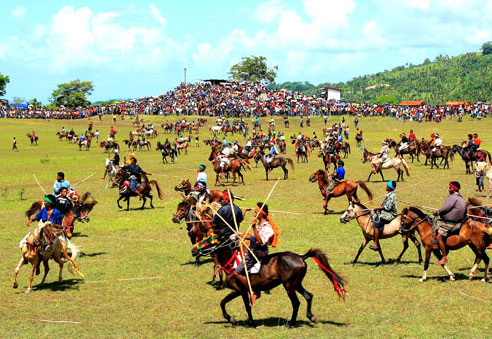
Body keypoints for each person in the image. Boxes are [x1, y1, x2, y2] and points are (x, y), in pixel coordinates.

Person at [234, 202, 278, 305]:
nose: (254, 213)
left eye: (256, 212)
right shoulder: (260, 224)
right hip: (254, 249)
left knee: (236, 272)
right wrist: (241, 235)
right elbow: (253, 237)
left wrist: (254, 228)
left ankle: (254, 291)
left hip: (258, 252)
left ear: (261, 214)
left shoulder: (267, 228)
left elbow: (260, 241)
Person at [432, 181, 467, 265]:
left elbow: (445, 208)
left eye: (450, 188)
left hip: (451, 222)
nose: (448, 189)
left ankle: (444, 257)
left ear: (454, 189)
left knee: (439, 237)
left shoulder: (452, 197)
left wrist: (437, 212)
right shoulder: (461, 197)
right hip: (458, 221)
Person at [370, 181, 398, 251]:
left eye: (387, 185)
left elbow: (387, 207)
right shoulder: (389, 194)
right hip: (386, 211)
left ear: (390, 187)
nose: (386, 186)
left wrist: (377, 208)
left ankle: (376, 244)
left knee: (377, 222)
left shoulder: (392, 195)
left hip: (391, 214)